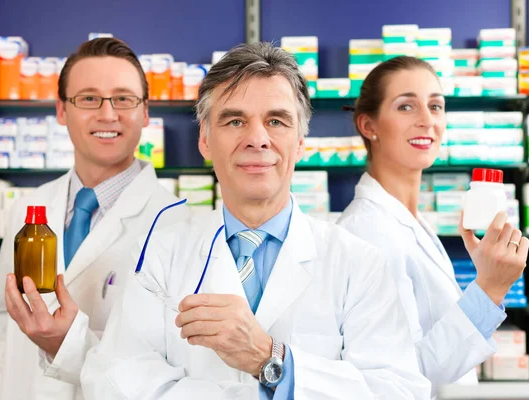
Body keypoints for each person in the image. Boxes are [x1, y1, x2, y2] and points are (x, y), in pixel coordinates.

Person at [80, 42, 431, 400]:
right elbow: (114, 379)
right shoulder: (159, 254)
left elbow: (398, 392)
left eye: (276, 121)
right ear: (205, 139)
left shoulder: (360, 264)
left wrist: (270, 358)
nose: (257, 139)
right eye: (235, 121)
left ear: (299, 142)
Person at [0, 38, 189, 400]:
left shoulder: (177, 226)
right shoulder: (29, 207)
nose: (108, 114)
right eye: (89, 98)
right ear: (61, 110)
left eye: (123, 98)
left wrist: (66, 344)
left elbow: (174, 362)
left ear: (146, 111)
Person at [337, 56, 529, 397]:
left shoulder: (408, 221)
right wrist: (489, 289)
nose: (427, 121)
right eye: (406, 106)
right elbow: (407, 373)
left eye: (436, 106)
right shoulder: (367, 231)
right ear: (369, 126)